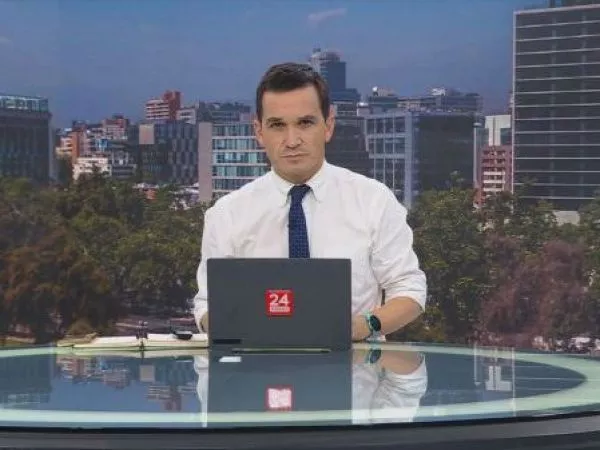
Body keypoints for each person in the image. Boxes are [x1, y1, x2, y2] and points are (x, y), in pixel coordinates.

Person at [194, 62, 427, 341]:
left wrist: (364, 326)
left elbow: (409, 289)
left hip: (356, 364)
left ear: (328, 126)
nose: (292, 140)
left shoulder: (374, 200)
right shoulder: (226, 214)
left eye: (305, 123)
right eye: (277, 125)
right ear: (259, 132)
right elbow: (207, 305)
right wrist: (232, 328)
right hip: (256, 364)